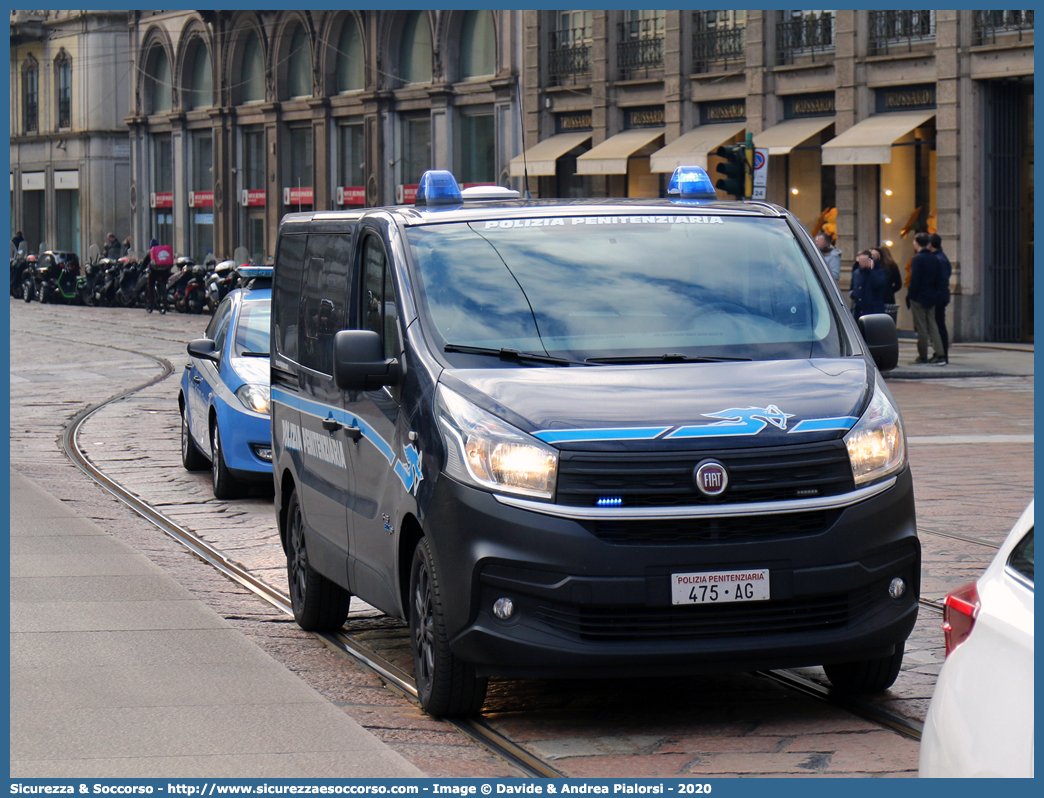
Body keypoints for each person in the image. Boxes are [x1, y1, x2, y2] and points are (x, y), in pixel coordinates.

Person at [907, 232, 945, 365]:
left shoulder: (917, 259)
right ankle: (940, 354)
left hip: (919, 296)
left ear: (917, 243)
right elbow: (939, 279)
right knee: (933, 326)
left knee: (921, 328)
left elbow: (915, 279)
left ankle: (922, 355)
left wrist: (911, 296)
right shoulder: (935, 258)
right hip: (932, 296)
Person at [929, 233, 951, 365]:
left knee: (939, 326)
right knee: (937, 325)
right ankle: (939, 352)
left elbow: (941, 280)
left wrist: (935, 294)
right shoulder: (939, 258)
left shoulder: (939, 259)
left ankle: (942, 353)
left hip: (939, 297)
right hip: (939, 295)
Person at [850, 249, 888, 318]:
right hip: (859, 310)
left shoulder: (879, 272)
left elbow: (879, 285)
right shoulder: (856, 273)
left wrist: (871, 270)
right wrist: (853, 294)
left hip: (874, 309)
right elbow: (853, 287)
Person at [146, 238, 173, 314]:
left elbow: (144, 264)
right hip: (164, 272)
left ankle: (151, 303)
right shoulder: (162, 251)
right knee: (164, 285)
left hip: (154, 272)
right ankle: (165, 299)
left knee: (150, 286)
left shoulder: (150, 252)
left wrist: (140, 269)